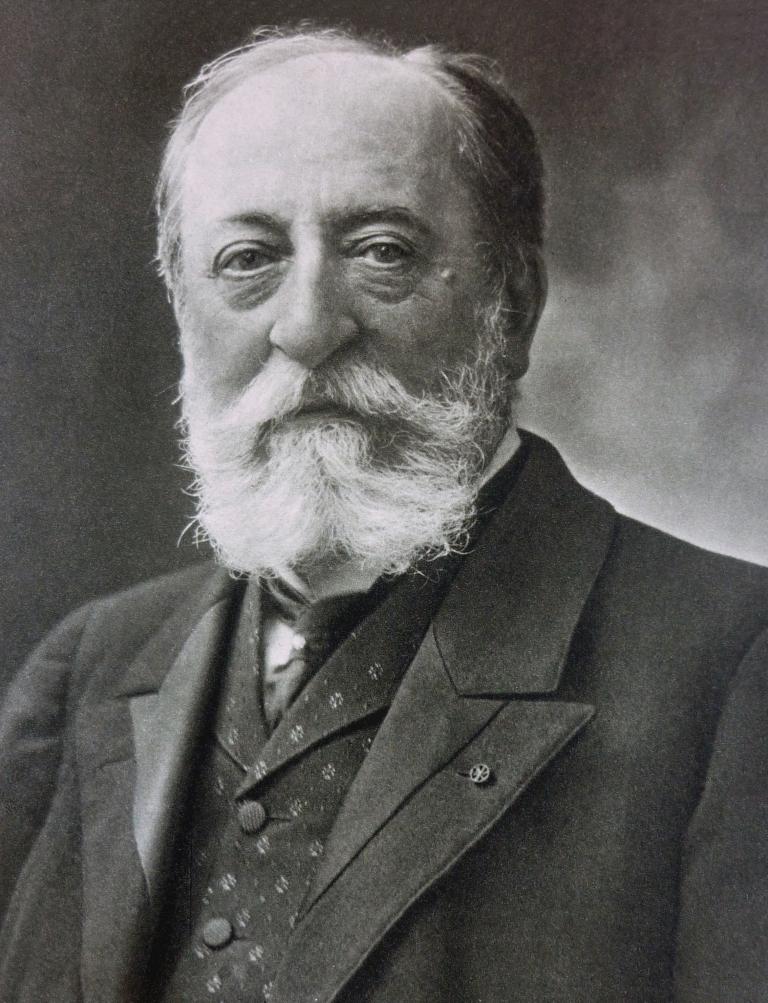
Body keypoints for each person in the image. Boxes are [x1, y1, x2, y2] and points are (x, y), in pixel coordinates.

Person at [1, 25, 767, 1003]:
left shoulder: (732, 664)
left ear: (513, 305)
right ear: (185, 313)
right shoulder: (86, 670)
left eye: (381, 251)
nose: (307, 326)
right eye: (248, 258)